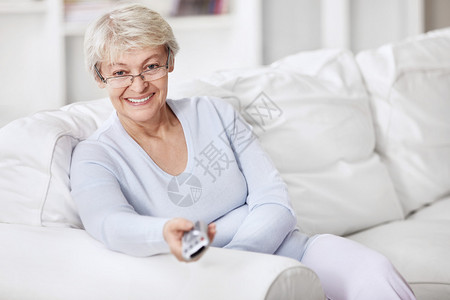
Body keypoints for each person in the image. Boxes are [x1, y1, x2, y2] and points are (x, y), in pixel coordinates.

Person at [70, 3, 416, 299]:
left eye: (151, 66)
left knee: (374, 270)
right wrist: (162, 233)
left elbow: (274, 201)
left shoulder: (214, 113)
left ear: (170, 62)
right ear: (100, 77)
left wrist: (239, 256)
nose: (138, 84)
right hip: (205, 282)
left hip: (285, 250)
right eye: (120, 73)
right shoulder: (95, 156)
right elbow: (110, 224)